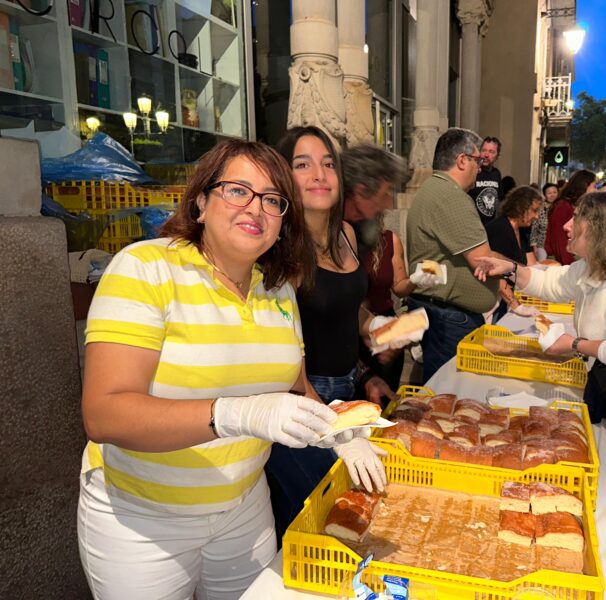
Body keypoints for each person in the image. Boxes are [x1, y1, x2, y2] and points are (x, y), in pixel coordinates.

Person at [77, 140, 384, 598]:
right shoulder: (145, 269)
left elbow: (298, 388)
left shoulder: (276, 290)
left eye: (273, 200)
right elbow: (105, 415)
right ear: (201, 201)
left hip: (244, 509)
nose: (255, 207)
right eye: (237, 190)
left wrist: (337, 433)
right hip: (144, 520)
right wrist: (236, 414)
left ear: (283, 223)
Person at [474, 192, 606, 600]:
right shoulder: (593, 270)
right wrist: (511, 267)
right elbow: (552, 282)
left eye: (578, 221)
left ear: (602, 230)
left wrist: (575, 344)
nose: (567, 227)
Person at [269, 126, 392, 541]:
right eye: (303, 165)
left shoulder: (348, 234)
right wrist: (333, 429)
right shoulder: (280, 250)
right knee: (312, 521)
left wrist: (371, 346)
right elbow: (284, 361)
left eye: (327, 164)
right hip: (301, 402)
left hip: (345, 393)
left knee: (355, 514)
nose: (319, 174)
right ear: (283, 177)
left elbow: (346, 310)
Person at [406, 127, 502, 381]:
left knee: (440, 390)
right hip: (448, 318)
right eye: (477, 160)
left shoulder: (433, 189)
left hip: (439, 311)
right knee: (448, 394)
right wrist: (515, 271)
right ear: (462, 160)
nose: (481, 168)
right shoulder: (451, 196)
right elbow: (485, 263)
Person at [340, 143, 437, 393]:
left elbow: (352, 305)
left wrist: (379, 330)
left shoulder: (368, 234)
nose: (389, 205)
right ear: (361, 192)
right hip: (339, 363)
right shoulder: (329, 236)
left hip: (366, 350)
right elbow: (331, 312)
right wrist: (375, 331)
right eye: (385, 193)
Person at [485, 186, 543, 320]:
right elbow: (496, 274)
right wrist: (515, 305)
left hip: (508, 296)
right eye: (534, 210)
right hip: (494, 298)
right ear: (520, 207)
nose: (536, 216)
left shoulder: (522, 230)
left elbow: (531, 265)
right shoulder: (499, 229)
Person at [544, 169, 596, 265]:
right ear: (585, 186)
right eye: (594, 186)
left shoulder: (573, 205)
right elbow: (559, 239)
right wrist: (569, 265)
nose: (595, 190)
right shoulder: (563, 206)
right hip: (563, 260)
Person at [468, 136, 503, 225]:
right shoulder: (473, 171)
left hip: (490, 225)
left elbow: (498, 199)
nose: (486, 155)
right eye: (484, 150)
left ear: (498, 156)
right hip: (472, 224)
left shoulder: (496, 174)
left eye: (491, 152)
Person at [529, 182, 558, 262]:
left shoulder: (561, 208)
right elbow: (534, 228)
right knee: (543, 266)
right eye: (549, 193)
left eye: (554, 192)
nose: (552, 195)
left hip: (557, 245)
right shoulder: (540, 208)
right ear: (545, 194)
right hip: (542, 244)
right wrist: (534, 246)